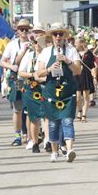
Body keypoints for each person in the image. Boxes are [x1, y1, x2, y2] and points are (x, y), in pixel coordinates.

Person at [36, 23, 81, 163]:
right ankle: (54, 151)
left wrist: (67, 61)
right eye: (55, 34)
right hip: (51, 92)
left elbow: (78, 70)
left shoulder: (71, 50)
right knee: (53, 124)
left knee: (68, 121)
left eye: (60, 34)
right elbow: (38, 73)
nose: (58, 37)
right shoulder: (46, 52)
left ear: (64, 36)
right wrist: (49, 69)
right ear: (51, 36)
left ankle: (69, 150)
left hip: (67, 92)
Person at [1, 19, 31, 146]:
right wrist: (10, 66)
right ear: (17, 31)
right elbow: (2, 61)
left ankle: (31, 135)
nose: (24, 31)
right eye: (21, 29)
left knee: (30, 108)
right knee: (18, 109)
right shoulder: (12, 45)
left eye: (26, 29)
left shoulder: (33, 43)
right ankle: (18, 135)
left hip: (30, 78)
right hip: (17, 79)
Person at [18, 35, 50, 153]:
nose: (37, 44)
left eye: (40, 42)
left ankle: (47, 140)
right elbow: (21, 72)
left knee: (47, 115)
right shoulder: (29, 55)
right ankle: (35, 142)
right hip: (32, 88)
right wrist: (33, 75)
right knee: (33, 117)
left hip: (45, 87)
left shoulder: (47, 55)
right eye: (35, 42)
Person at [74, 37, 95, 122]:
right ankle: (79, 110)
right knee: (77, 97)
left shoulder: (89, 53)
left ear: (81, 43)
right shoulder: (74, 53)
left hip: (86, 76)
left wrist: (94, 77)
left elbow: (92, 66)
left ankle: (84, 115)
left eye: (76, 43)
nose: (75, 44)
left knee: (86, 96)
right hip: (77, 76)